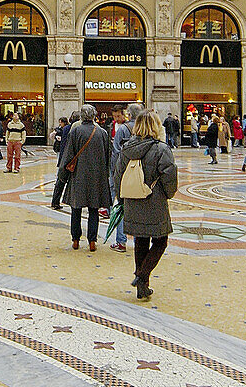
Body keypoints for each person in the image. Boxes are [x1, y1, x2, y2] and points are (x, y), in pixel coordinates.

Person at [112, 111, 178, 300]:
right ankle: (142, 276)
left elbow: (118, 176)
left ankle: (143, 286)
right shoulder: (161, 149)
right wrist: (168, 194)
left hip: (132, 199)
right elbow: (169, 176)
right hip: (154, 200)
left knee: (140, 240)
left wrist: (122, 198)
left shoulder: (126, 148)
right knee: (160, 241)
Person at [57, 105, 111, 251]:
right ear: (94, 116)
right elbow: (108, 157)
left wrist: (63, 175)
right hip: (97, 176)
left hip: (78, 176)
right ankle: (92, 241)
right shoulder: (102, 133)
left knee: (76, 207)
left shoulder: (76, 131)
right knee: (94, 209)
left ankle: (75, 239)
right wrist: (105, 175)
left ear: (82, 116)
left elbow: (68, 155)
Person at [109, 103, 142, 252]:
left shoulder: (123, 129)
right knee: (140, 208)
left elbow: (116, 153)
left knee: (122, 207)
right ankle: (139, 242)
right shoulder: (146, 128)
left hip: (125, 173)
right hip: (142, 173)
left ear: (128, 114)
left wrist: (115, 174)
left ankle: (121, 241)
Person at [50, 112, 76, 210]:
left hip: (65, 159)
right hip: (71, 160)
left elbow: (64, 145)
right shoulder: (72, 129)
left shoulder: (66, 129)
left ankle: (55, 202)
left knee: (60, 182)